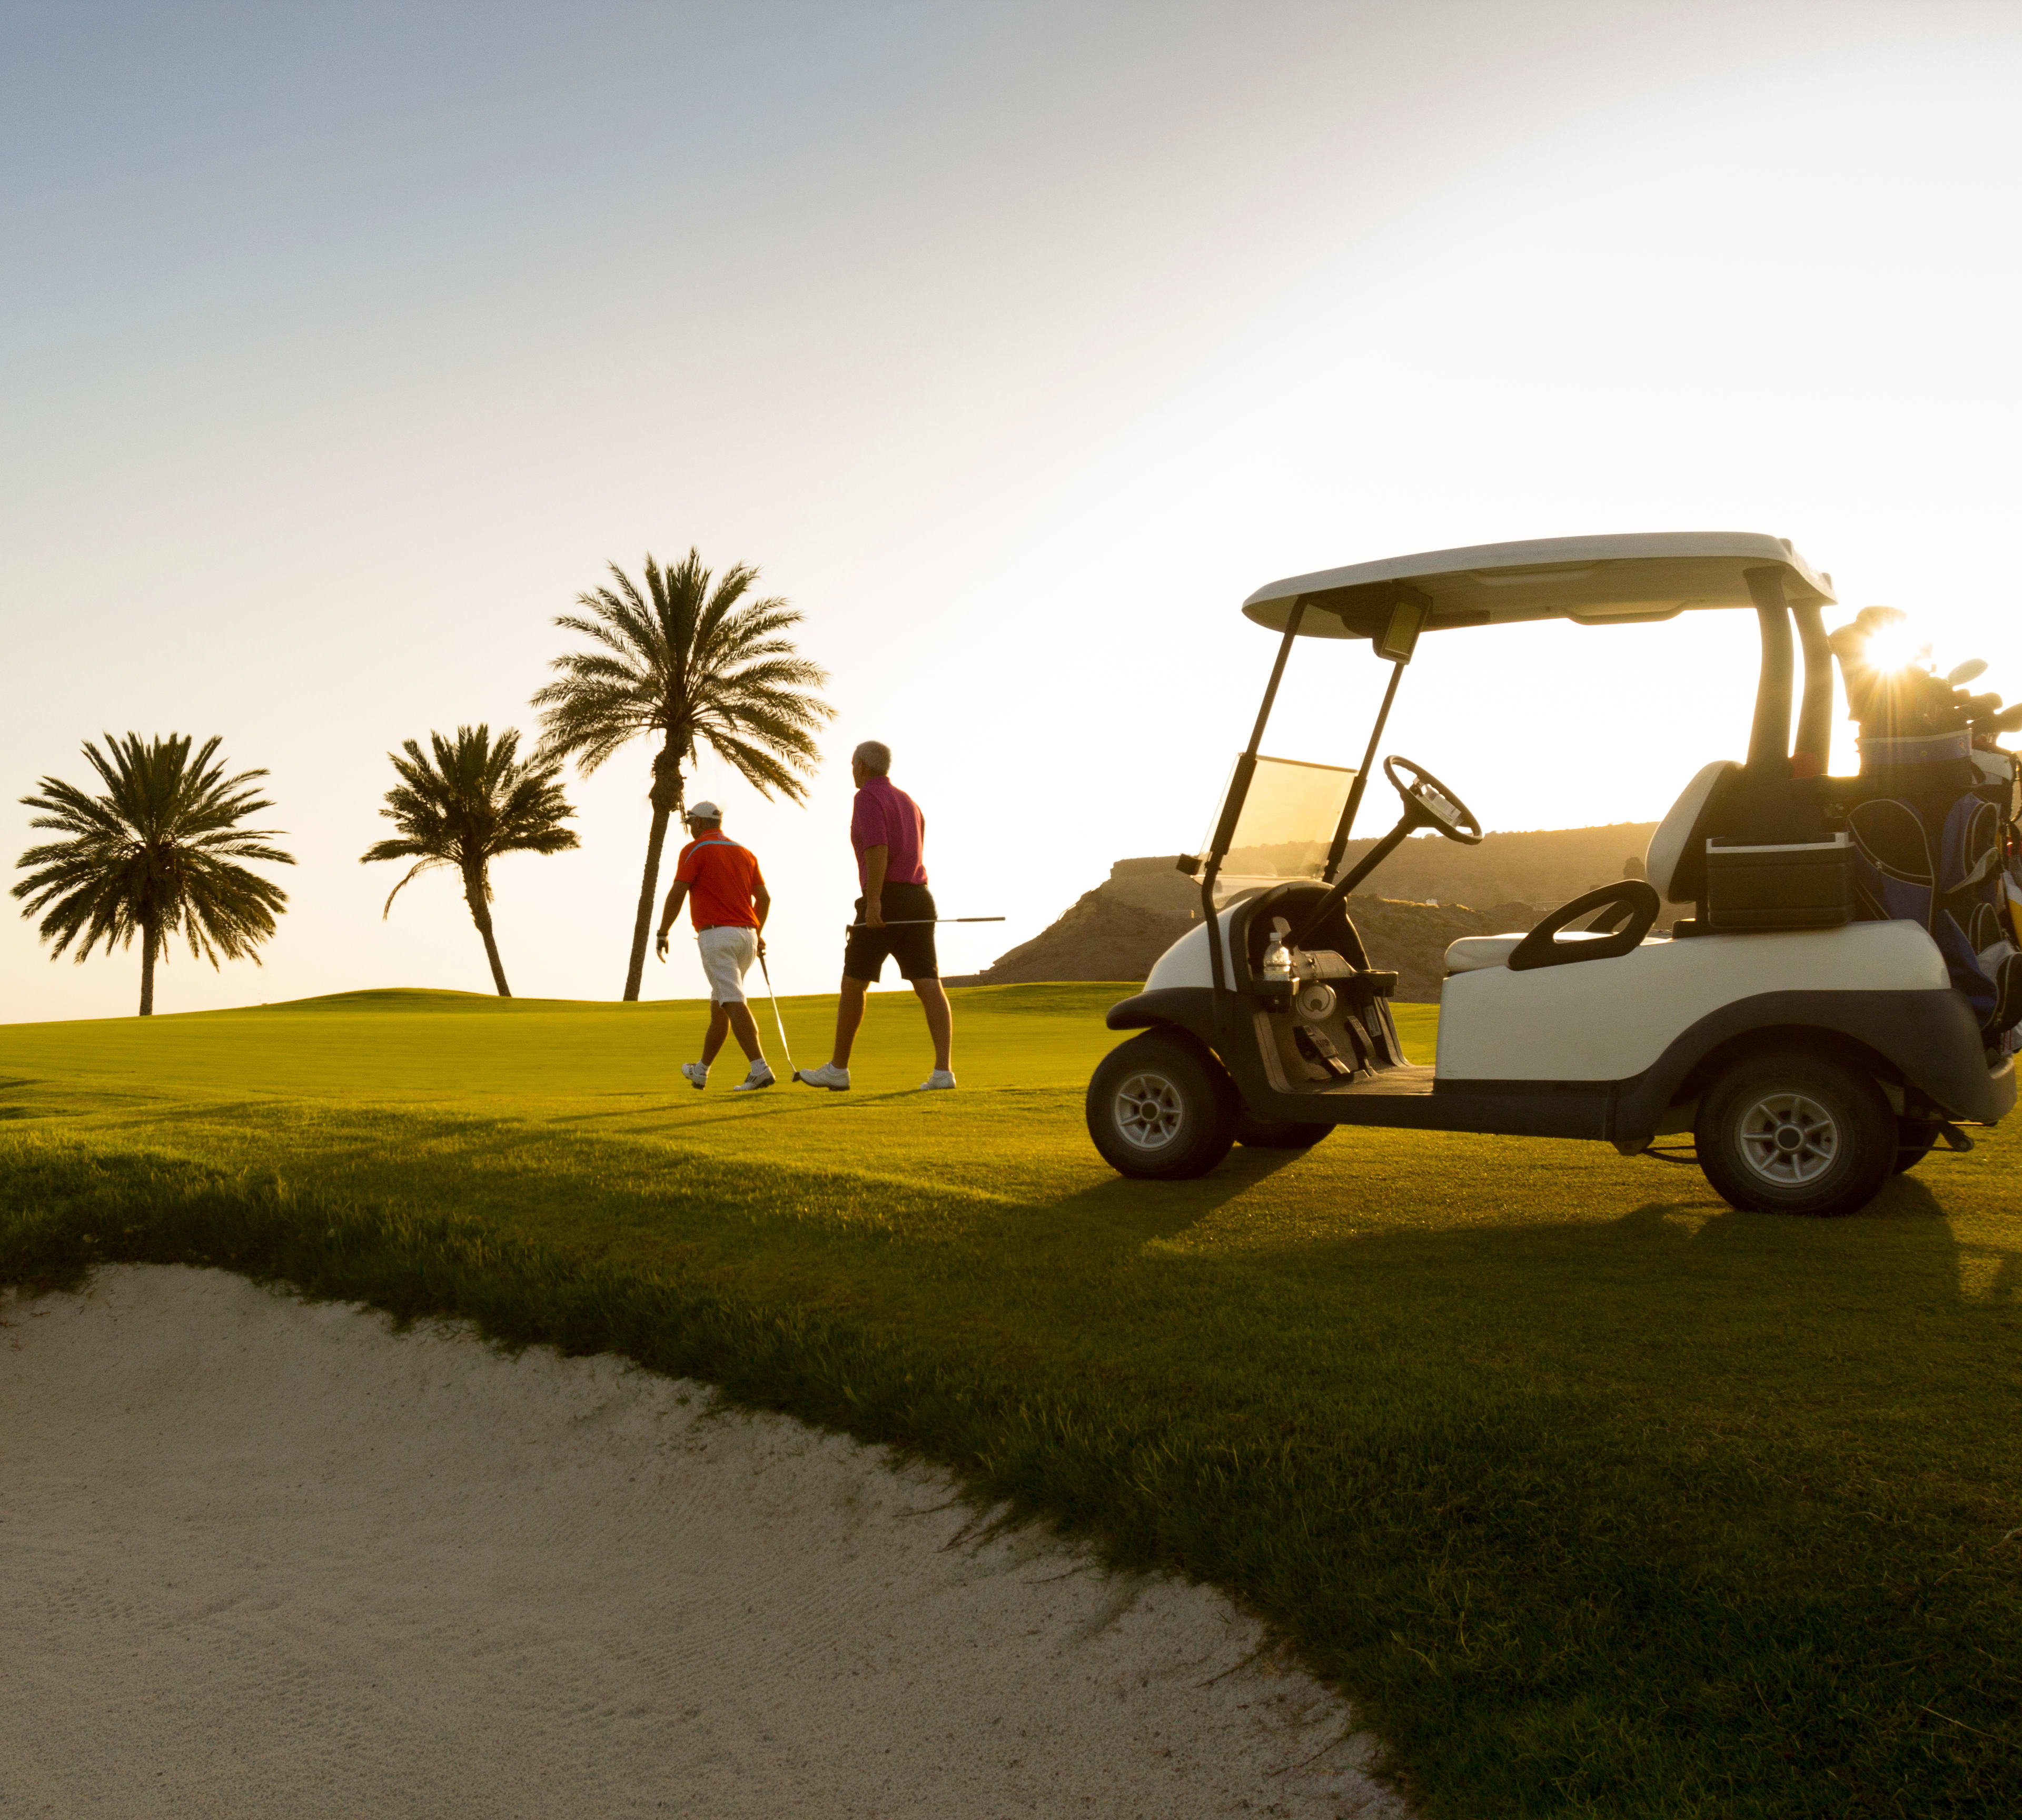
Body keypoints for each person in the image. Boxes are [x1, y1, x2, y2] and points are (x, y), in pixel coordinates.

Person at [794, 740, 955, 1091]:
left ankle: (838, 1070)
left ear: (863, 766)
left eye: (853, 765)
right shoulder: (909, 801)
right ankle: (944, 1072)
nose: (852, 771)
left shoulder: (867, 797)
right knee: (928, 983)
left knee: (854, 982)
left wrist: (875, 901)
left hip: (888, 897)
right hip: (919, 897)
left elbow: (877, 847)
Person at [653, 801, 775, 1092]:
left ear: (700, 823)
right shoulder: (745, 852)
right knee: (720, 1006)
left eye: (690, 821)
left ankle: (759, 1068)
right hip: (747, 936)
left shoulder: (694, 850)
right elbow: (765, 900)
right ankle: (701, 1071)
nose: (689, 827)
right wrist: (757, 934)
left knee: (732, 1001)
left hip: (717, 936)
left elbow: (678, 892)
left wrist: (663, 931)